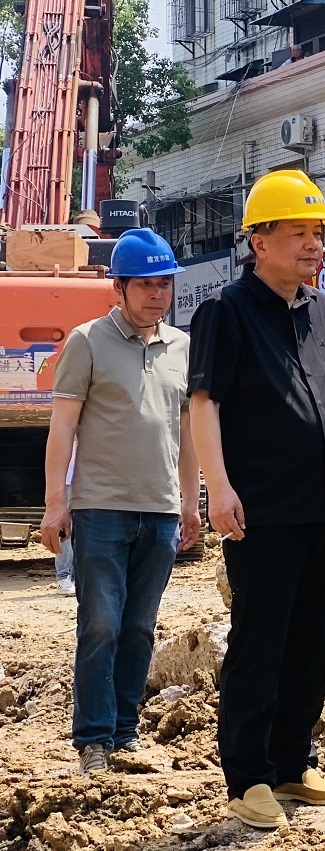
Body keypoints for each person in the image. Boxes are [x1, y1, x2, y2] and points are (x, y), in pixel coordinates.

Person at [188, 171, 325, 829]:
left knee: (314, 640)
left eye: (318, 232)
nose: (314, 244)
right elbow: (205, 404)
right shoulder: (226, 312)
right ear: (259, 241)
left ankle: (292, 762)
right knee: (262, 642)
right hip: (263, 509)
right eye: (299, 233)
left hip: (324, 504)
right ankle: (248, 775)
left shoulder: (320, 310)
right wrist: (218, 486)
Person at [39, 228, 201, 776]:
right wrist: (55, 503)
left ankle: (126, 732)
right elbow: (62, 427)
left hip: (160, 510)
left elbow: (187, 431)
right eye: (146, 285)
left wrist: (190, 502)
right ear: (120, 288)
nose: (158, 294)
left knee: (139, 627)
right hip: (100, 508)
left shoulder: (181, 347)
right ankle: (93, 739)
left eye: (165, 284)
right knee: (101, 624)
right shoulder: (87, 342)